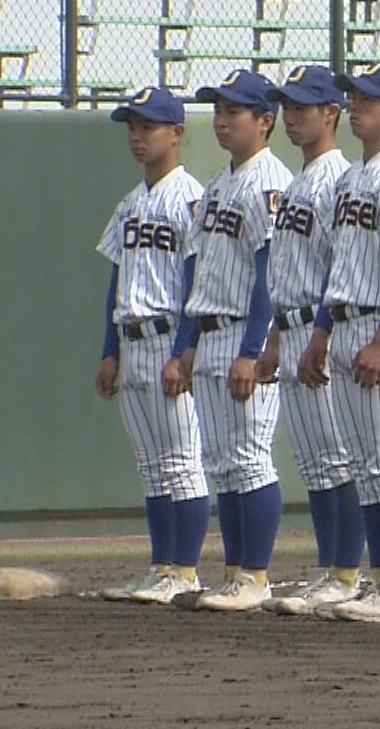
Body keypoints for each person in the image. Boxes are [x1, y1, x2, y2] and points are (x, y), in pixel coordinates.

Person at [304, 62, 380, 623]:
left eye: (370, 99)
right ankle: (379, 579)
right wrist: (322, 333)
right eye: (354, 97)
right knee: (364, 463)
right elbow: (340, 263)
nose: (357, 106)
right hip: (348, 322)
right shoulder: (351, 178)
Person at [177, 70, 293, 613]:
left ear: (264, 121)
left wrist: (252, 349)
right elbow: (200, 273)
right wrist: (191, 343)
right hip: (213, 330)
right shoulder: (219, 184)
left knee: (249, 459)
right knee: (222, 461)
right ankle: (235, 573)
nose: (222, 120)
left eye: (234, 111)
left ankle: (257, 575)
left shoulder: (269, 181)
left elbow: (271, 274)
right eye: (218, 110)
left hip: (245, 334)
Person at [93, 87, 212, 605]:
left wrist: (183, 352)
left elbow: (196, 282)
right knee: (152, 464)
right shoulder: (130, 204)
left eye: (148, 126)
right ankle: (161, 565)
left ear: (177, 133)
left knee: (182, 460)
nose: (137, 136)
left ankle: (184, 570)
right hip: (132, 337)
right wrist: (109, 350)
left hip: (168, 338)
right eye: (131, 127)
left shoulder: (191, 199)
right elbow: (116, 281)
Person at [257, 67, 364, 616]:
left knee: (337, 457)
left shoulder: (336, 180)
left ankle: (346, 572)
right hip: (294, 323)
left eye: (304, 106)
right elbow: (290, 270)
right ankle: (331, 567)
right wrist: (276, 337)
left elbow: (337, 268)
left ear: (332, 113)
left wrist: (317, 334)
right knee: (317, 461)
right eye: (288, 106)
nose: (293, 116)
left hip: (324, 327)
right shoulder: (299, 182)